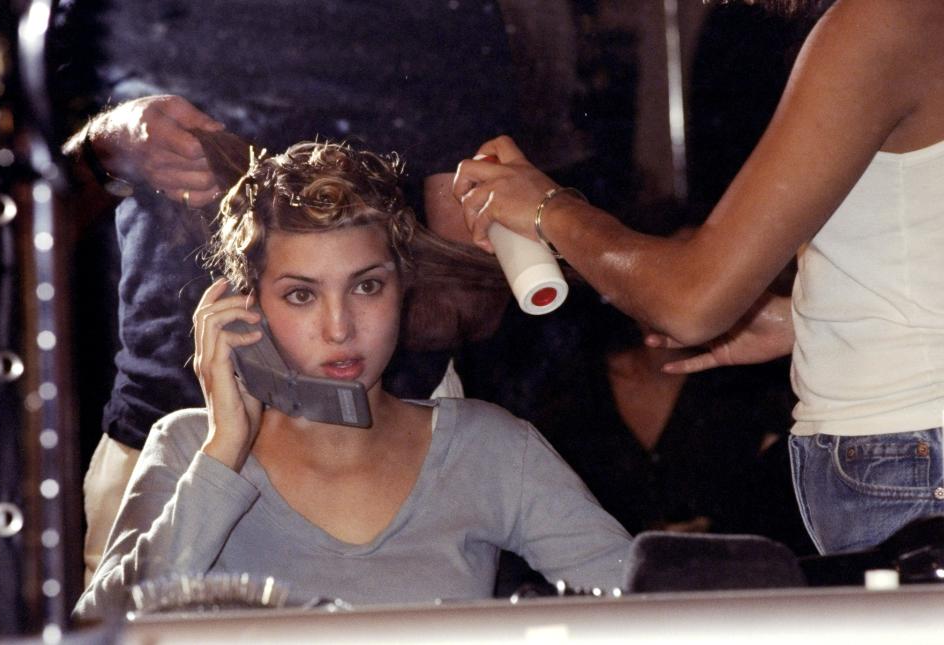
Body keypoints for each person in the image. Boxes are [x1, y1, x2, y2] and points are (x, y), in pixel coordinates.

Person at [54, 1, 586, 585]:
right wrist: (111, 141)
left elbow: (466, 295)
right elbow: (38, 166)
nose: (336, 324)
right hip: (164, 421)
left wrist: (353, 294)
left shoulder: (447, 14)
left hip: (399, 441)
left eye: (369, 285)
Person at [452, 0, 944, 554]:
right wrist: (815, 316)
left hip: (911, 455)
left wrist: (547, 208)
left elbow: (691, 300)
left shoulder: (884, 18)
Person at [72, 141, 631, 621]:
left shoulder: (491, 449)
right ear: (248, 308)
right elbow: (99, 630)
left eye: (367, 287)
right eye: (301, 294)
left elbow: (651, 607)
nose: (340, 329)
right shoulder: (189, 447)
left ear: (402, 288)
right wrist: (224, 455)